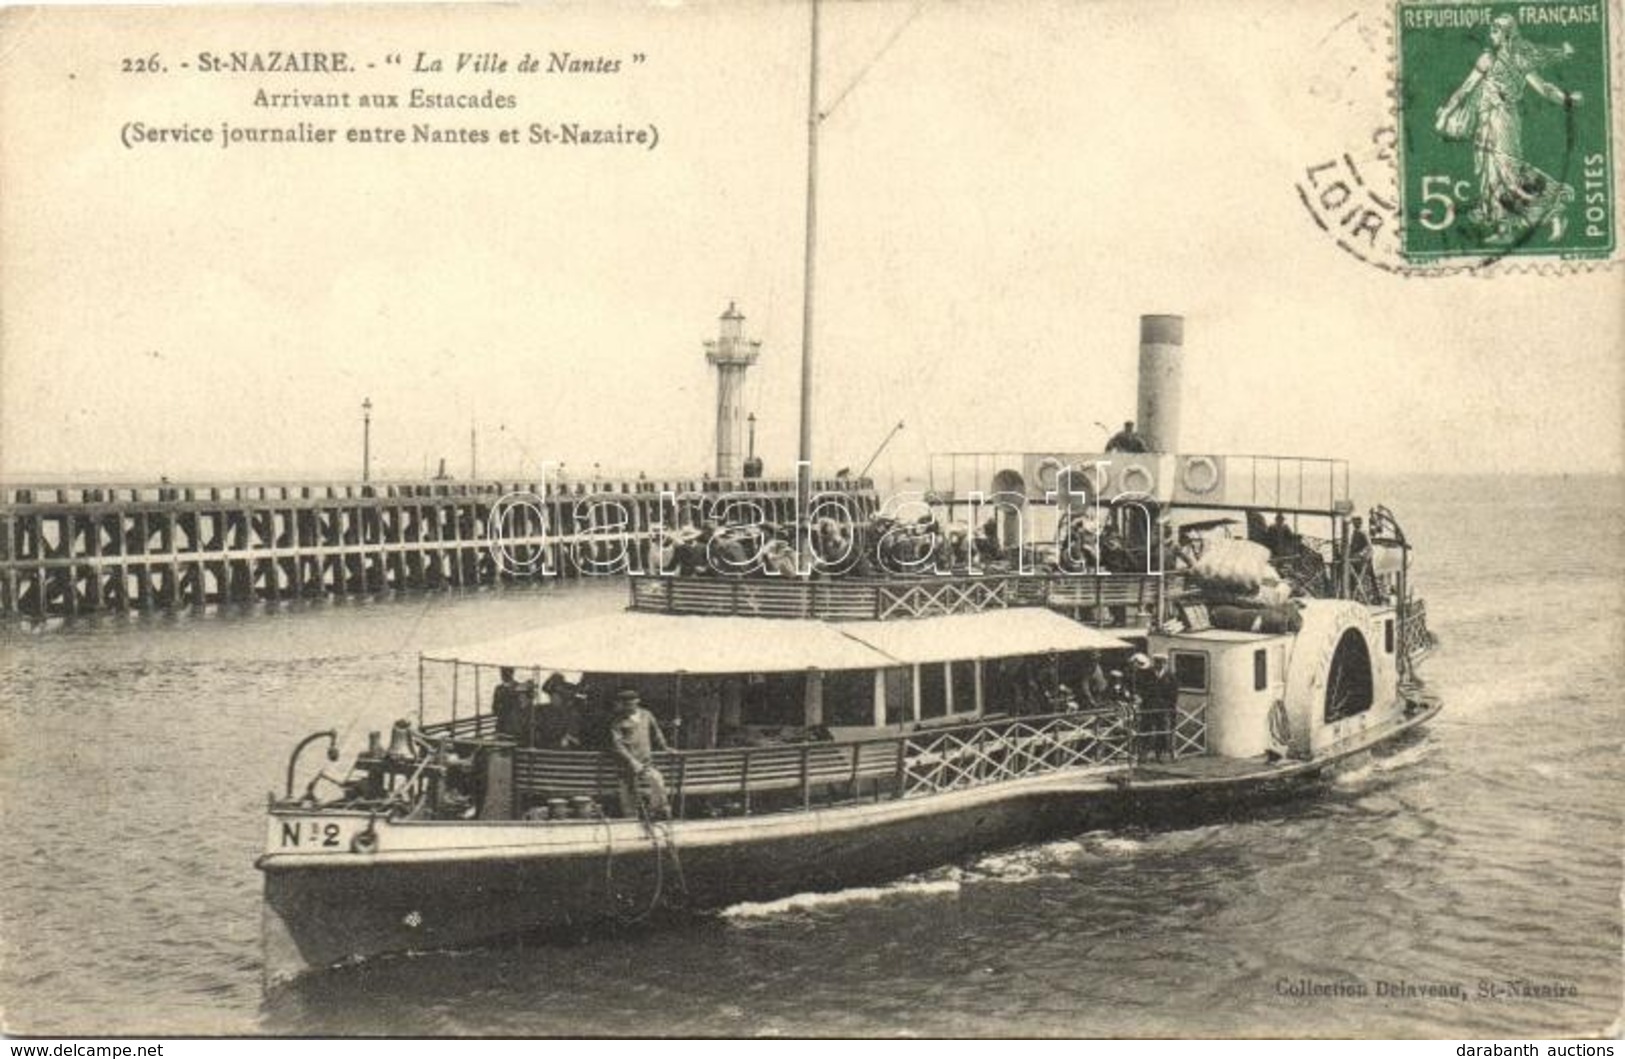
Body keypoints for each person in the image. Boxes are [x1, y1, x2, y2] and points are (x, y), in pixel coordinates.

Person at [1434, 14, 1580, 244]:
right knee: (1490, 174)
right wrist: (1446, 112)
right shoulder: (1487, 59)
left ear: (1508, 34)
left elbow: (1544, 89)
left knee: (1508, 172)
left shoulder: (1519, 60)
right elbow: (1465, 90)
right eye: (1491, 29)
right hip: (1485, 122)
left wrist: (1567, 100)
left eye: (1496, 30)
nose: (1492, 33)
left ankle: (1553, 214)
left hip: (1503, 121)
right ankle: (1505, 229)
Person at [609, 689, 671, 819]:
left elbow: (656, 732)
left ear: (637, 702)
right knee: (628, 796)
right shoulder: (617, 720)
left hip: (645, 761)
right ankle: (631, 819)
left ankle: (655, 811)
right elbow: (617, 744)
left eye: (631, 703)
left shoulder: (646, 715)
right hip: (626, 765)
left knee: (657, 780)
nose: (628, 707)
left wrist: (665, 747)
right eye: (625, 704)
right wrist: (631, 761)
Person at [491, 667, 532, 746]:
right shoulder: (499, 689)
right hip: (502, 724)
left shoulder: (518, 688)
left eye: (506, 672)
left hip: (514, 724)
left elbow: (523, 706)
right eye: (503, 672)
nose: (504, 675)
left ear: (512, 673)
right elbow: (494, 708)